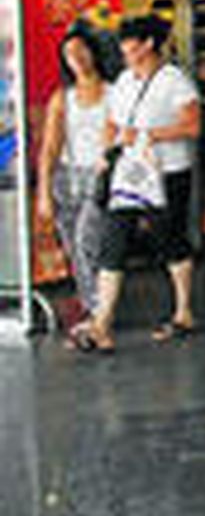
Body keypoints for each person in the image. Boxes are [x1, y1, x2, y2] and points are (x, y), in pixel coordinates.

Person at [78, 14, 201, 354]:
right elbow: (112, 122)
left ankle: (184, 311)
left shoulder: (174, 80)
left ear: (148, 44)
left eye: (129, 43)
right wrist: (107, 151)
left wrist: (148, 135)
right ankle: (101, 325)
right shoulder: (124, 81)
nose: (124, 50)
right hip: (128, 173)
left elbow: (192, 127)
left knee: (170, 239)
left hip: (167, 171)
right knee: (113, 242)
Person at [35, 21, 117, 337]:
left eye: (82, 50)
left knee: (87, 241)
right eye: (69, 54)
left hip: (99, 175)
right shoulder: (63, 98)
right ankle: (92, 302)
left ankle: (99, 314)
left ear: (94, 53)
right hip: (66, 178)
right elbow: (50, 148)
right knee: (73, 246)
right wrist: (44, 192)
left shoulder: (113, 93)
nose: (77, 58)